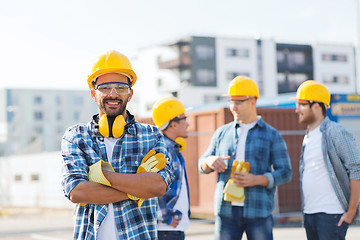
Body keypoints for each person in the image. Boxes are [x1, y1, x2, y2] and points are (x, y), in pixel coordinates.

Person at [61, 50, 174, 240]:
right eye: (105, 88)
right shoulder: (76, 136)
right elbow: (77, 192)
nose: (113, 94)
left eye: (121, 88)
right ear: (93, 94)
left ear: (130, 94)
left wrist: (102, 176)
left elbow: (158, 186)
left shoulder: (151, 135)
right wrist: (137, 189)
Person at [198, 76, 292, 240]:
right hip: (226, 211)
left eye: (239, 101)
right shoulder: (221, 133)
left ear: (253, 101)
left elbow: (285, 172)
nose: (233, 107)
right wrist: (210, 161)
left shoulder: (272, 135)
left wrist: (257, 179)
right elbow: (202, 163)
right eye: (230, 101)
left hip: (258, 210)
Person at [293, 80, 360, 240]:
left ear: (317, 106)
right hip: (310, 214)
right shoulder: (308, 136)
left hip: (331, 215)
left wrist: (351, 212)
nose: (297, 110)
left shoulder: (335, 132)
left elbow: (356, 169)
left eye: (302, 104)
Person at [152, 97, 191, 240]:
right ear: (173, 124)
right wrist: (166, 217)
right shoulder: (164, 150)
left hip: (171, 229)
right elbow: (156, 187)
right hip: (166, 230)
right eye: (184, 119)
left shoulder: (172, 149)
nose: (188, 124)